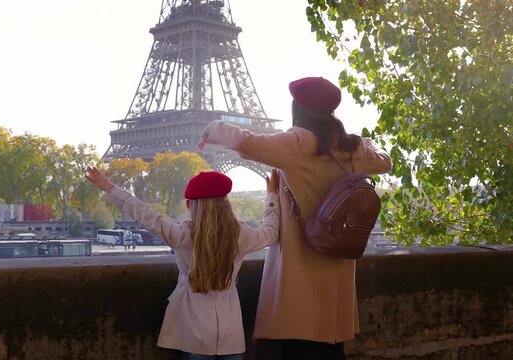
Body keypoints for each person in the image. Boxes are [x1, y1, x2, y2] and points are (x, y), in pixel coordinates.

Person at [198, 76, 392, 359]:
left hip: (300, 271)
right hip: (337, 273)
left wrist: (212, 127)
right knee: (330, 348)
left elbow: (245, 142)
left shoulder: (299, 143)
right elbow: (385, 161)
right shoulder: (353, 149)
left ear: (298, 109)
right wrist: (366, 141)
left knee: (298, 344)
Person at [85, 167, 281, 360]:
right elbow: (271, 232)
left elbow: (145, 214)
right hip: (232, 335)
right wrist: (272, 196)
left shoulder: (182, 236)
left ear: (190, 205)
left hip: (194, 335)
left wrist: (109, 187)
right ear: (226, 203)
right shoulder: (241, 235)